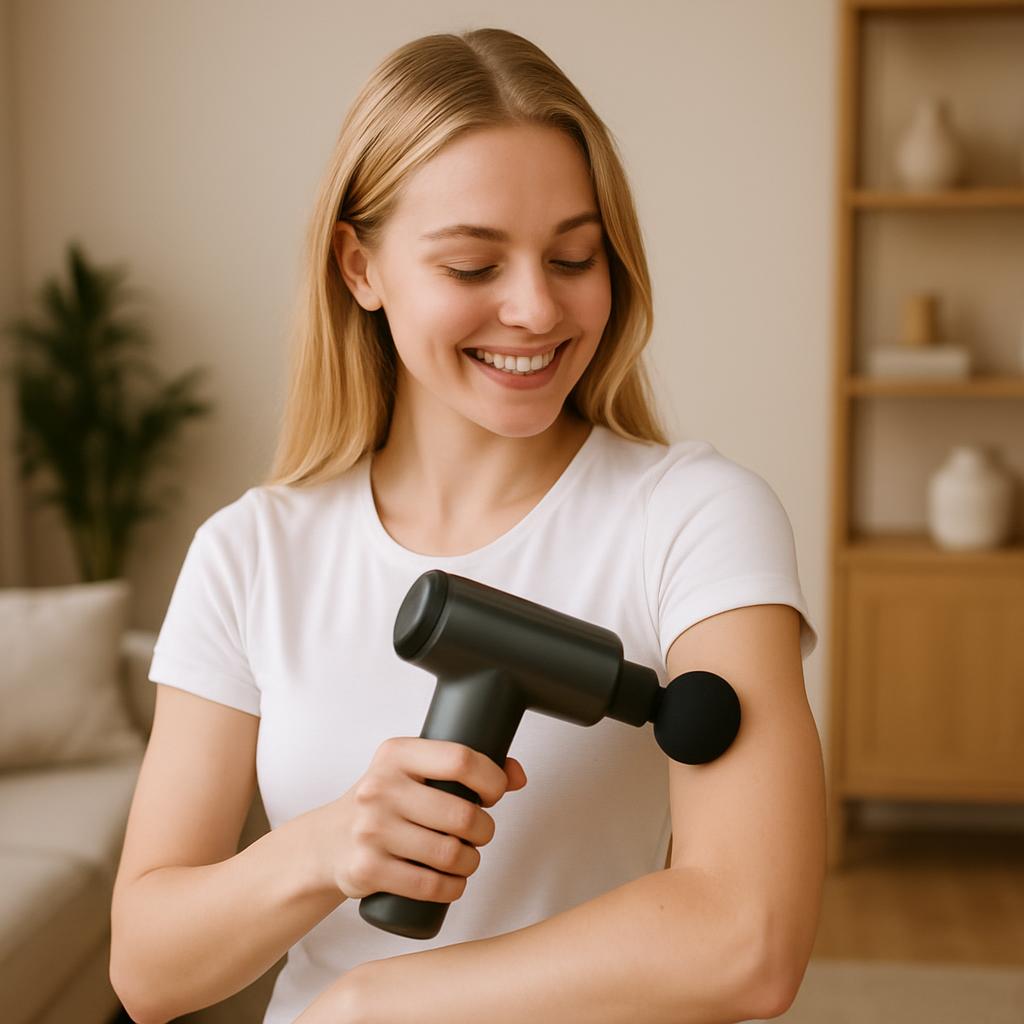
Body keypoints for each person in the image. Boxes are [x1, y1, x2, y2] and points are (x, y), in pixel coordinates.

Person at [110, 27, 826, 1024]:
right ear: (360, 267)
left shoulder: (695, 520)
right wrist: (326, 847)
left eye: (573, 256)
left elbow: (746, 937)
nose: (534, 307)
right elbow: (147, 968)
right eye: (472, 265)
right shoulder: (251, 552)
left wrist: (372, 1003)